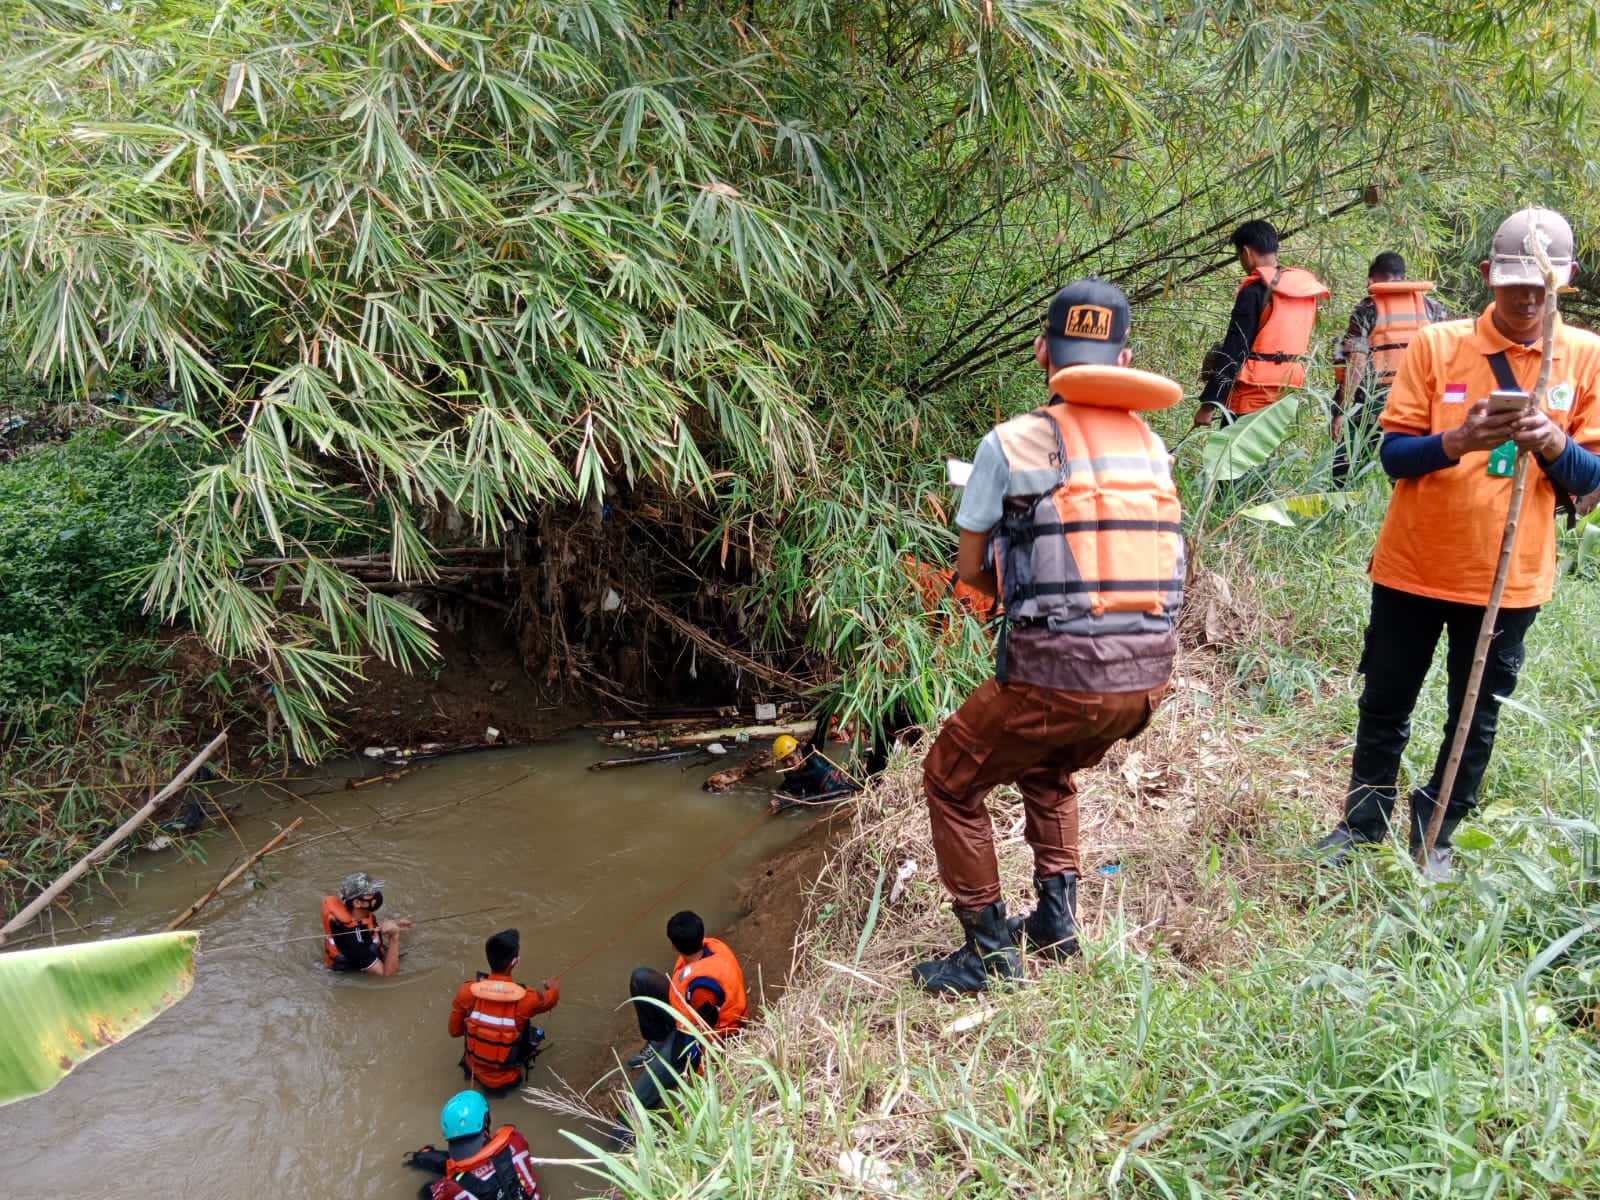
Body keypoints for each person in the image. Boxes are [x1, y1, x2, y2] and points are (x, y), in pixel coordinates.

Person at [914, 277, 1183, 994]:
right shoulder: (1153, 446)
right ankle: (1056, 924)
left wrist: (1024, 590)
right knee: (1047, 765)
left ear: (1042, 352)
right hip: (1147, 682)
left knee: (948, 778)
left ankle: (987, 955)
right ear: (1124, 359)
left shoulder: (1009, 442)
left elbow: (970, 572)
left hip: (1061, 676)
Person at [1314, 207, 1600, 879]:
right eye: (1513, 285)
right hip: (1414, 564)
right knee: (1385, 701)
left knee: (1474, 717)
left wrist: (1552, 443)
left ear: (1564, 281)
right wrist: (1459, 440)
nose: (1527, 301)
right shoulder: (1437, 345)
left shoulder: (1587, 356)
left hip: (1510, 579)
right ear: (1486, 276)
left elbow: (1590, 478)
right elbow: (1392, 456)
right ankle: (1362, 824)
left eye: (1541, 287)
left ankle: (1436, 833)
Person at [1193, 219, 1329, 426]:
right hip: (1286, 391)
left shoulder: (1254, 291)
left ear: (1246, 252)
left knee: (1231, 447)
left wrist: (1209, 404)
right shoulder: (1305, 294)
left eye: (1239, 256)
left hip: (1250, 391)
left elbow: (1235, 351)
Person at [1331, 253, 1449, 484]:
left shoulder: (1366, 309)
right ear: (1402, 276)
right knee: (1407, 473)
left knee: (1346, 471)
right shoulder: (1433, 308)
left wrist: (1341, 410)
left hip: (1373, 403)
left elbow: (1356, 363)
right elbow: (1445, 358)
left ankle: (1343, 503)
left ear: (1371, 279)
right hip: (1418, 401)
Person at [622, 911, 747, 1112]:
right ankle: (658, 1041)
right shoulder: (710, 949)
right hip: (689, 1016)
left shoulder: (701, 987)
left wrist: (699, 1073)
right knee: (641, 978)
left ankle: (624, 1129)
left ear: (673, 946)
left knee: (635, 1102)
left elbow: (706, 1033)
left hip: (702, 1035)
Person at [448, 929, 559, 1092]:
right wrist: (553, 988)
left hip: (472, 1071)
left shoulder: (467, 991)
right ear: (514, 962)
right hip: (506, 1080)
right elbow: (551, 1000)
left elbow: (454, 1031)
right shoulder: (527, 998)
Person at [402, 1091, 540, 1200]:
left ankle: (421, 1156)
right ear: (486, 1121)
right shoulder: (516, 1141)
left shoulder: (449, 1187)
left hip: (458, 1183)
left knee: (426, 1190)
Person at [320, 871, 412, 975]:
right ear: (357, 903)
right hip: (350, 972)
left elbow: (365, 928)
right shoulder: (353, 943)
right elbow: (388, 976)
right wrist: (394, 937)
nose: (376, 895)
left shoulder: (360, 915)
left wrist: (394, 926)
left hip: (364, 950)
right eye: (370, 893)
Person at [772, 732, 851, 802]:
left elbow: (839, 793)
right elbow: (788, 788)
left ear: (799, 752)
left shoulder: (819, 768)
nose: (788, 764)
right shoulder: (791, 773)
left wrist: (793, 800)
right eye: (784, 761)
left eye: (791, 758)